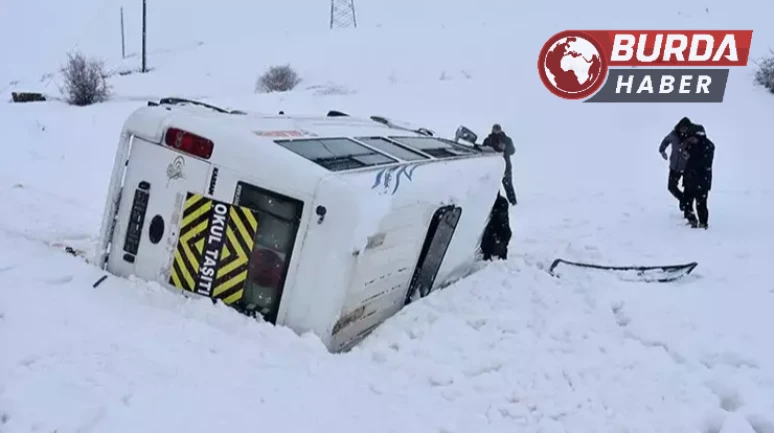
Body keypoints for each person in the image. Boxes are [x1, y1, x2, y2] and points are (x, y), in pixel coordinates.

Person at [680, 124, 714, 229]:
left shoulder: (708, 146)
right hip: (690, 178)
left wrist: (690, 158)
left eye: (693, 136)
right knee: (687, 201)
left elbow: (705, 162)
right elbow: (686, 158)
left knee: (701, 203)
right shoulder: (691, 144)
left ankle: (703, 223)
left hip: (701, 180)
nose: (691, 138)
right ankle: (692, 220)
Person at [659, 117, 692, 211]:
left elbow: (696, 149)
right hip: (674, 166)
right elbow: (666, 141)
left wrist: (689, 154)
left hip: (686, 167)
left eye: (686, 128)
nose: (684, 130)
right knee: (671, 187)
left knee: (688, 189)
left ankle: (687, 209)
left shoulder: (690, 137)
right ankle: (683, 199)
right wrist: (662, 151)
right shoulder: (673, 134)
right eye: (682, 127)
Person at [483, 124, 518, 206]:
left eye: (497, 129)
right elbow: (482, 151)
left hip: (505, 166)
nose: (496, 131)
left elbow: (512, 151)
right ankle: (495, 202)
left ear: (501, 130)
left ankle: (513, 202)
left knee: (508, 184)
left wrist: (506, 148)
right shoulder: (488, 140)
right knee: (493, 186)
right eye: (495, 129)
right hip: (492, 167)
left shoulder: (507, 140)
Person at [479, 193, 512, 261]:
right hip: (492, 236)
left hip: (495, 235)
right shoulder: (498, 202)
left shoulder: (501, 203)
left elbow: (507, 232)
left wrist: (500, 241)